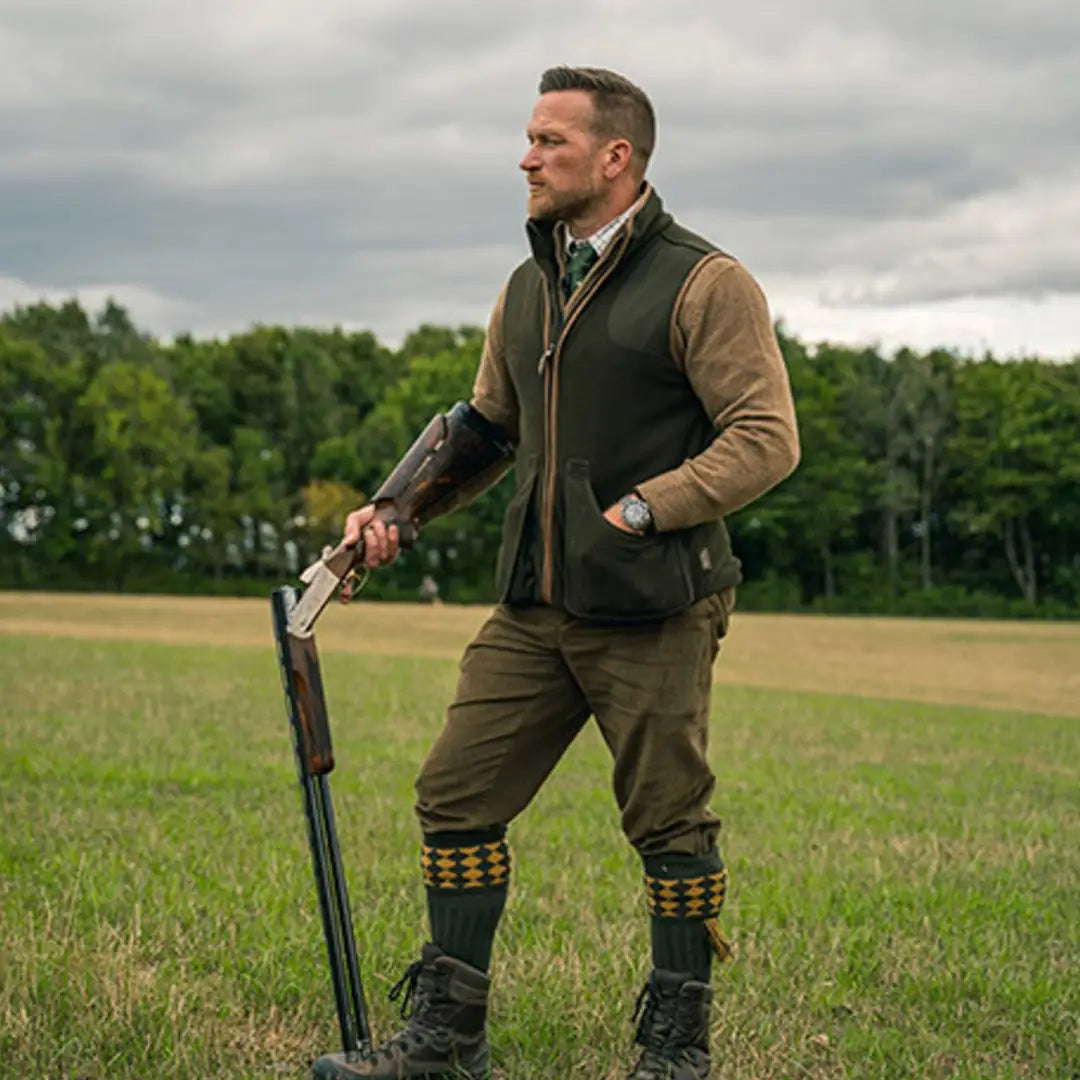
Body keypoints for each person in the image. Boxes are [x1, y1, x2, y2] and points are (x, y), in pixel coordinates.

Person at [315, 66, 799, 1080]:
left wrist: (644, 507)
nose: (526, 158)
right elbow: (488, 429)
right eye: (528, 140)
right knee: (455, 795)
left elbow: (765, 438)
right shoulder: (530, 284)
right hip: (534, 606)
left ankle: (676, 1054)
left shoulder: (707, 283)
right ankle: (447, 1042)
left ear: (616, 158)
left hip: (657, 603)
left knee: (669, 824)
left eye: (550, 142)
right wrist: (393, 507)